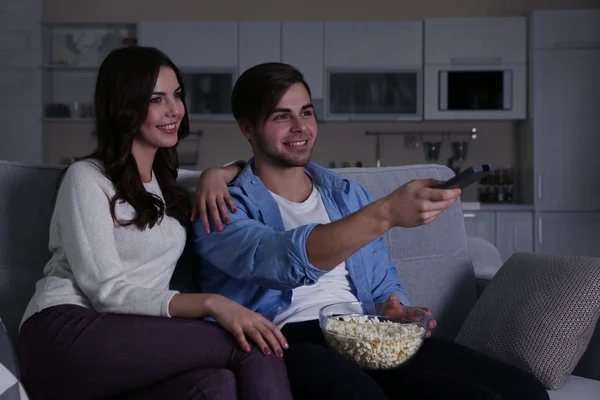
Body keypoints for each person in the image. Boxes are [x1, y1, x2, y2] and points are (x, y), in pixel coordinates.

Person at [192, 62, 550, 400]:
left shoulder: (347, 195)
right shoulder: (221, 203)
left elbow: (382, 279)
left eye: (306, 112)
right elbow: (279, 262)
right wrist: (387, 211)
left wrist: (391, 306)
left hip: (363, 329)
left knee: (520, 390)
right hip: (287, 341)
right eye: (281, 116)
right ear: (247, 128)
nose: (300, 127)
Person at [16, 48, 294, 400]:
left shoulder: (165, 187)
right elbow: (107, 292)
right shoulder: (86, 177)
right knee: (253, 343)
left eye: (177, 95)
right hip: (64, 334)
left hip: (127, 341)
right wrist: (211, 304)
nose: (174, 109)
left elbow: (249, 169)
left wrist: (215, 173)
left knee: (214, 387)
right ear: (125, 106)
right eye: (156, 99)